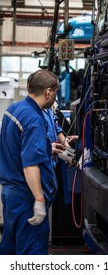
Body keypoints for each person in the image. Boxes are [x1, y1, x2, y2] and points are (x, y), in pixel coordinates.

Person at [0, 69, 59, 255]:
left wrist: (48, 149)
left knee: (10, 248)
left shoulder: (13, 109)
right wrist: (39, 200)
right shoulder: (35, 120)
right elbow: (30, 165)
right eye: (55, 93)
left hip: (10, 195)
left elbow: (17, 147)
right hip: (27, 199)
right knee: (30, 255)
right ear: (48, 92)